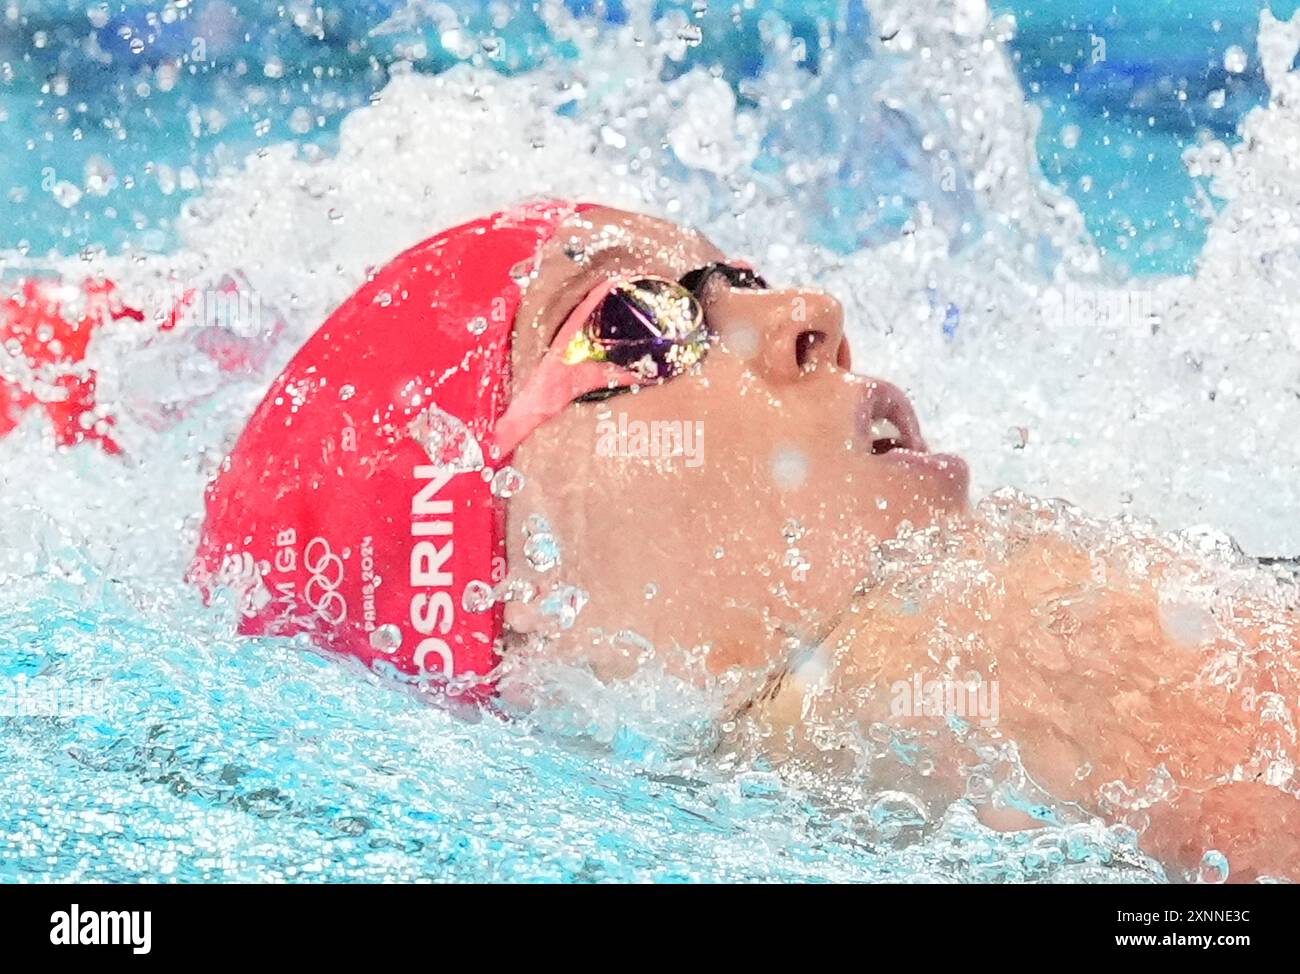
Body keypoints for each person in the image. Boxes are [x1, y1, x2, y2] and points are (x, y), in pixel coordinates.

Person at [191, 199, 1299, 882]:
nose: (806, 312)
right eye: (636, 320)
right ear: (507, 599)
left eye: (747, 282)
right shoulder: (990, 650)